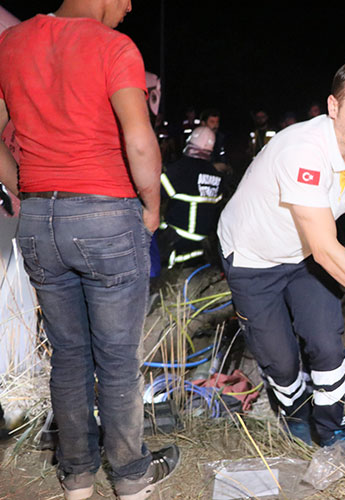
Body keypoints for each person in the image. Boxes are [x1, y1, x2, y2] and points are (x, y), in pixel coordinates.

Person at [0, 1, 180, 499]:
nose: (127, 9)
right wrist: (151, 204)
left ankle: (77, 480)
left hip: (39, 220)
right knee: (118, 360)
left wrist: (26, 187)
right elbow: (138, 139)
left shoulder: (10, 45)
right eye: (125, 0)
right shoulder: (113, 47)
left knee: (69, 355)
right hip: (105, 213)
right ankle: (130, 480)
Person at [218, 60, 345, 458]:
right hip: (253, 256)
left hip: (306, 256)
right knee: (278, 359)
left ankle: (330, 429)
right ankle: (294, 410)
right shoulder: (304, 151)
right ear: (333, 106)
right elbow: (327, 249)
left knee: (327, 346)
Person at [159, 125, 224, 269]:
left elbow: (156, 192)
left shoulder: (180, 169)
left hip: (177, 241)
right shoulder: (215, 173)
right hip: (202, 244)